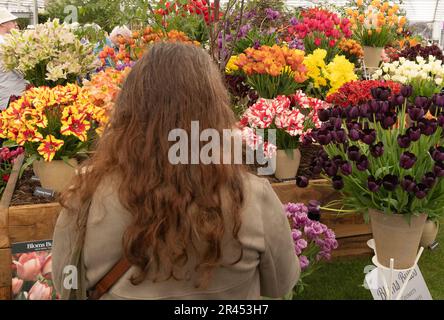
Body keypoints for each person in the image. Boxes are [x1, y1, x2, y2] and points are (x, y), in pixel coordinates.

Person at [52, 42, 300, 300]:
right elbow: (279, 286)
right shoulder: (252, 198)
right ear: (215, 112)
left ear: (128, 111)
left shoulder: (87, 194)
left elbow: (67, 284)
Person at [0, 8, 27, 110]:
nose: (15, 24)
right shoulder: (4, 44)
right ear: (2, 24)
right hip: (11, 95)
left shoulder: (7, 41)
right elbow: (21, 70)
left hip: (8, 93)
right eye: (12, 21)